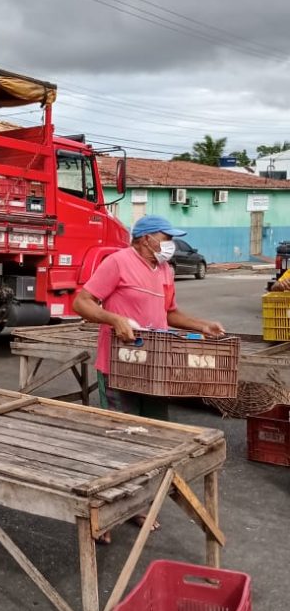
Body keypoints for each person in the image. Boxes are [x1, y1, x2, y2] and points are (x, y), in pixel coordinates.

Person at [72, 214, 226, 540]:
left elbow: (169, 313)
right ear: (145, 238)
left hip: (154, 370)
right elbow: (81, 302)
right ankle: (102, 516)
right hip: (119, 367)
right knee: (120, 441)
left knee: (153, 440)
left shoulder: (165, 270)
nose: (170, 244)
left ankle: (137, 506)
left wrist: (202, 325)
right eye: (165, 237)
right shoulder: (118, 262)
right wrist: (114, 319)